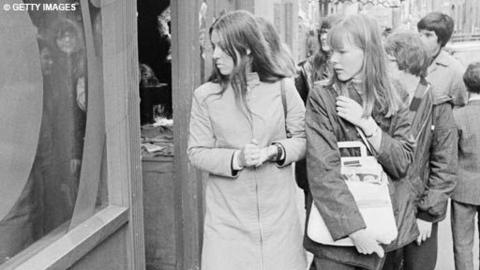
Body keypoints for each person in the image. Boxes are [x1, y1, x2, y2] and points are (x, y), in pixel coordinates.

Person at [187, 10, 307, 270]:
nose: (215, 54)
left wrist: (273, 152)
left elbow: (302, 139)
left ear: (249, 49)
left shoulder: (283, 88)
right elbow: (196, 151)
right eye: (213, 46)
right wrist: (236, 158)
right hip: (227, 221)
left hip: (279, 220)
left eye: (223, 47)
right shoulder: (205, 96)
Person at [304, 14, 415, 270]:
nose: (333, 59)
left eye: (342, 52)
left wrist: (367, 125)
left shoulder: (394, 92)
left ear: (368, 51)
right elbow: (323, 171)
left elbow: (403, 163)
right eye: (332, 52)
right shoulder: (323, 96)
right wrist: (355, 229)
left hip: (386, 232)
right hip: (338, 243)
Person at [382, 31, 458, 270]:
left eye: (388, 60)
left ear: (405, 62)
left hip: (419, 211)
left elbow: (445, 166)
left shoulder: (436, 102)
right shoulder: (385, 98)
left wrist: (427, 214)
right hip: (388, 210)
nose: (382, 66)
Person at [294, 14, 343, 205]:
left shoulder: (352, 69)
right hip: (314, 153)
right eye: (322, 32)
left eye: (329, 32)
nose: (323, 37)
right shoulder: (306, 70)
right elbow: (298, 116)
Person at [450, 62, 480, 270]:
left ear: (466, 86)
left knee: (462, 245)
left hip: (463, 190)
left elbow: (450, 156)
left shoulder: (457, 116)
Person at [417, 12, 467, 107]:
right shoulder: (413, 63)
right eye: (420, 34)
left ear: (441, 40)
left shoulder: (455, 70)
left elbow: (460, 109)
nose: (421, 39)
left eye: (428, 35)